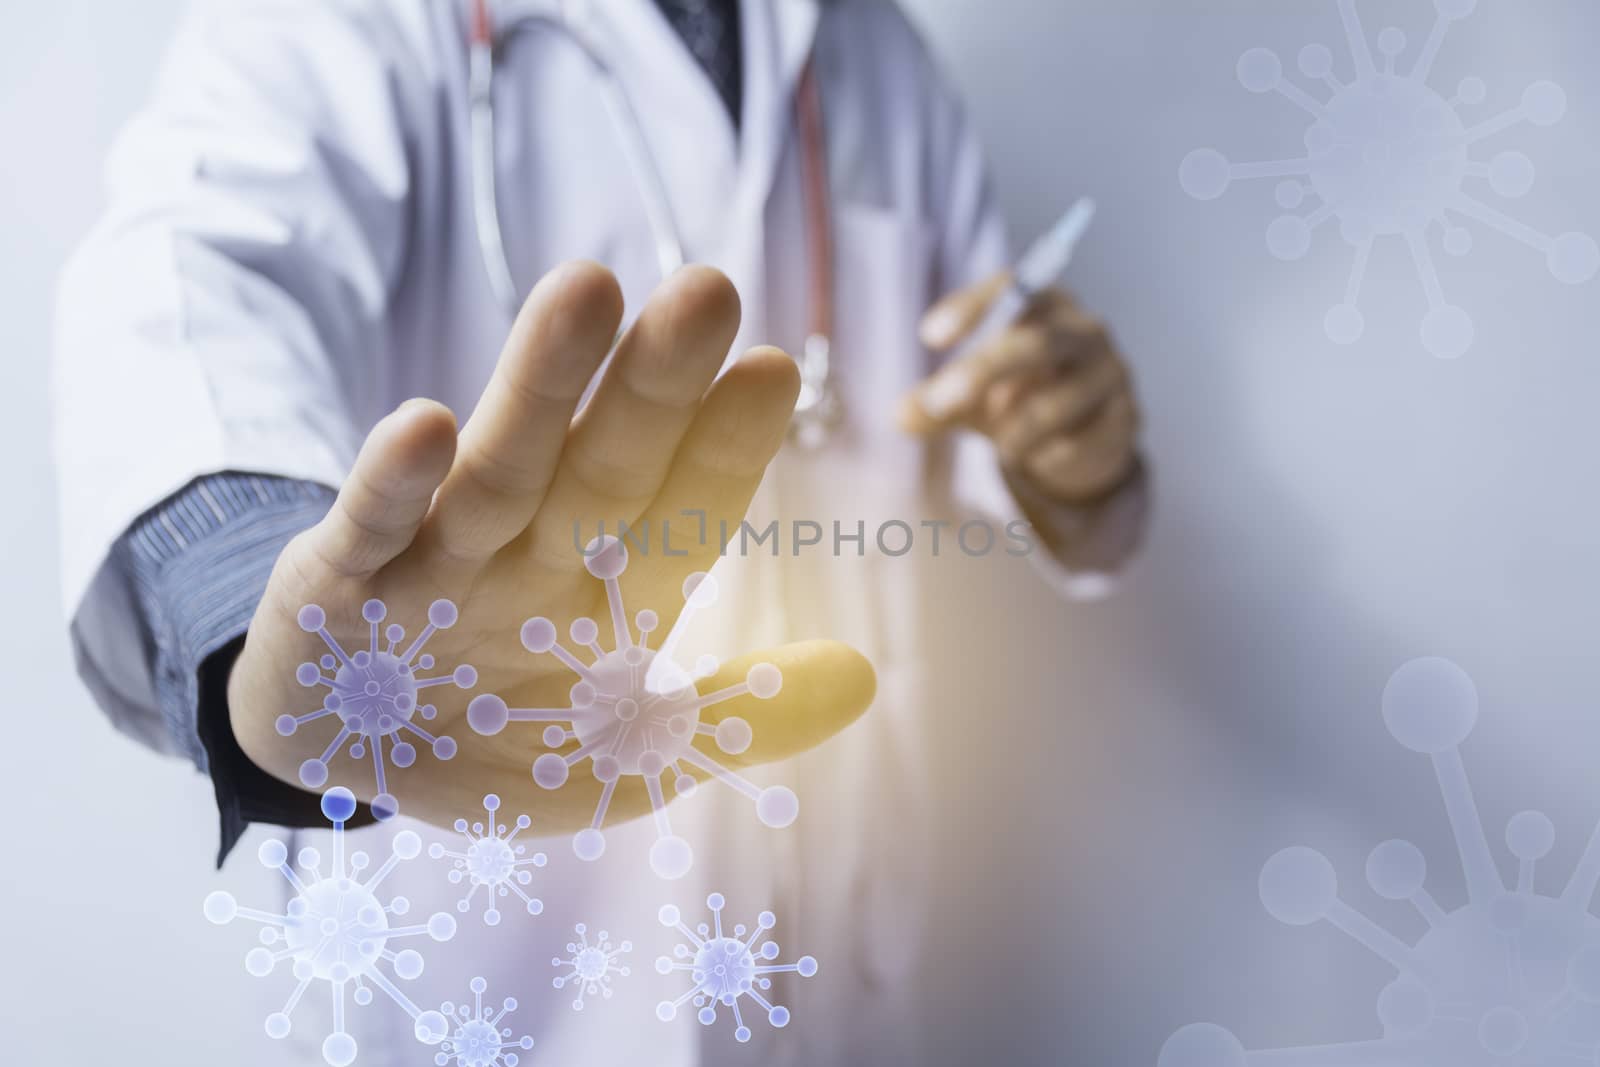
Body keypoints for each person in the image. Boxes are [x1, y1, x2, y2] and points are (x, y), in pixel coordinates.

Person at [54, 0, 1147, 1063]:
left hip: (827, 961)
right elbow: (188, 287)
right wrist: (252, 591)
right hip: (478, 959)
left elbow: (958, 417)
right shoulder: (336, 22)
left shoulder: (876, 55)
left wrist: (1069, 460)